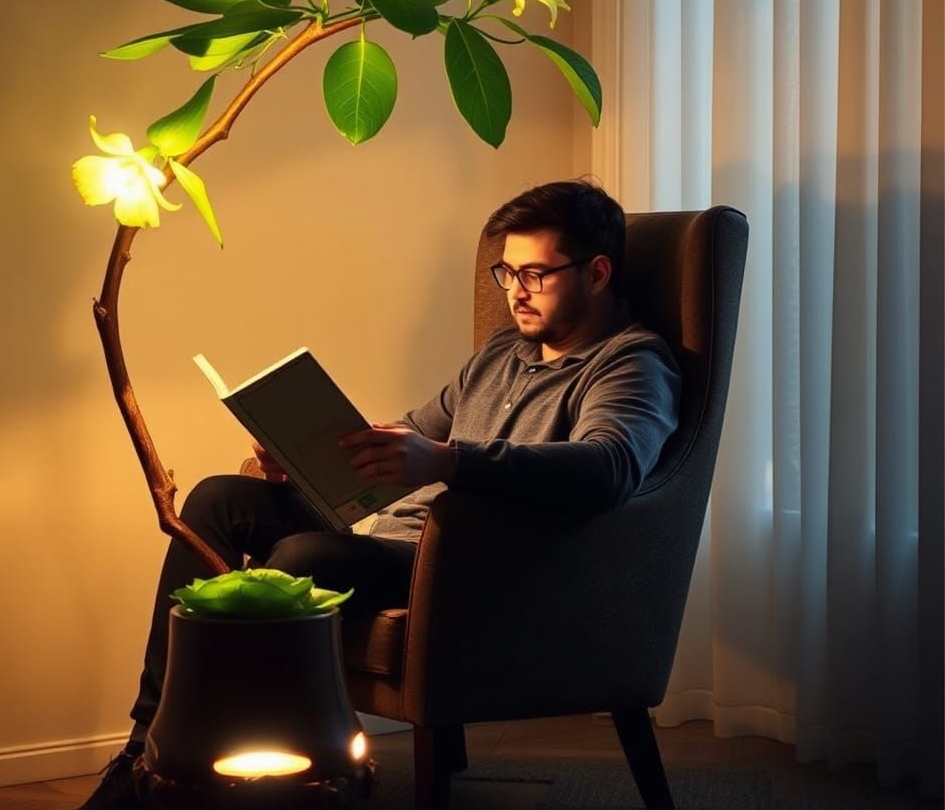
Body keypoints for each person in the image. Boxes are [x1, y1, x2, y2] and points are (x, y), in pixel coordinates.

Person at [78, 178, 681, 809]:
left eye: (535, 274)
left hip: (470, 567)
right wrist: (311, 452)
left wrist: (446, 459)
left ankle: (272, 772)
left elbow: (610, 467)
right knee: (216, 502)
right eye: (507, 273)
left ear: (597, 273)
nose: (515, 293)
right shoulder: (503, 352)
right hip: (393, 540)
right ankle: (146, 749)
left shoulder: (632, 364)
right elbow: (415, 432)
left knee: (304, 559)